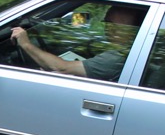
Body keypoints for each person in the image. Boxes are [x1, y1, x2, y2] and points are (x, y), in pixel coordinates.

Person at [10, 5, 145, 80]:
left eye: (111, 24)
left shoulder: (118, 58)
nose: (107, 29)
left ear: (131, 29)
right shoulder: (138, 51)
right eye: (107, 23)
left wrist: (26, 44)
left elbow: (62, 68)